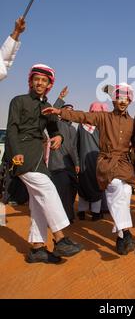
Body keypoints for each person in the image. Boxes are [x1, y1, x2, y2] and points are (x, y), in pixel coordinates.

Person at [43, 83, 135, 256]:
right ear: (114, 100)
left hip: (124, 163)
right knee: (115, 187)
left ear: (129, 100)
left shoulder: (132, 122)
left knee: (126, 192)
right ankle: (125, 232)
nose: (122, 101)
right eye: (119, 98)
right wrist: (60, 111)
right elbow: (83, 116)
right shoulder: (103, 117)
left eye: (126, 98)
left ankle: (123, 235)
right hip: (107, 162)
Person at [5, 64, 83, 263]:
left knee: (38, 202)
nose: (39, 83)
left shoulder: (46, 107)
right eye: (36, 79)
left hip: (39, 155)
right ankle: (60, 238)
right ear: (30, 81)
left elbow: (53, 127)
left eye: (44, 80)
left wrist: (58, 137)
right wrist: (16, 153)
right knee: (47, 189)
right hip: (23, 154)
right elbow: (12, 129)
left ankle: (37, 248)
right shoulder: (18, 101)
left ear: (49, 84)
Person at [76, 102, 109, 221]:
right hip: (98, 161)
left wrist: (77, 161)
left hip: (83, 161)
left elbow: (77, 144)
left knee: (83, 186)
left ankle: (81, 212)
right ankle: (95, 213)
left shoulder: (81, 125)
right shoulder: (103, 126)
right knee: (97, 186)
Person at [48, 103, 80, 223]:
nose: (70, 112)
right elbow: (50, 115)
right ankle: (65, 217)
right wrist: (60, 100)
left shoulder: (73, 129)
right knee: (63, 189)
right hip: (57, 163)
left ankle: (66, 213)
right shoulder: (57, 124)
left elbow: (74, 148)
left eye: (72, 110)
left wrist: (77, 163)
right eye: (67, 110)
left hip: (70, 164)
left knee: (73, 187)